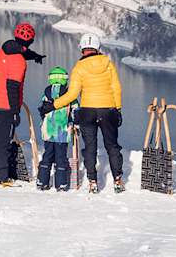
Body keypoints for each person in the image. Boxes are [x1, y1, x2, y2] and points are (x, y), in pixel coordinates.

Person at [41, 33, 124, 194]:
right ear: (98, 48)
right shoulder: (108, 64)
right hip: (108, 110)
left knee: (90, 147)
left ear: (82, 49)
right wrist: (118, 109)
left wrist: (53, 105)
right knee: (112, 146)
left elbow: (72, 95)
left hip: (87, 111)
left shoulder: (79, 68)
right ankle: (118, 180)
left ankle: (93, 182)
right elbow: (116, 88)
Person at [0, 22, 46, 186]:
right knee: (4, 141)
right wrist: (15, 112)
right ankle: (2, 178)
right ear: (31, 40)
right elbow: (13, 87)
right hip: (6, 106)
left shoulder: (5, 50)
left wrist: (34, 56)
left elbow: (20, 51)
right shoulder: (19, 61)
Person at [36, 66, 78, 191]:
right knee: (61, 157)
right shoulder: (70, 94)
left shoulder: (46, 94)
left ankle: (42, 182)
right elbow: (76, 111)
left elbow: (41, 109)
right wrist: (75, 123)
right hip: (63, 132)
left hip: (48, 131)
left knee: (47, 155)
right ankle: (61, 184)